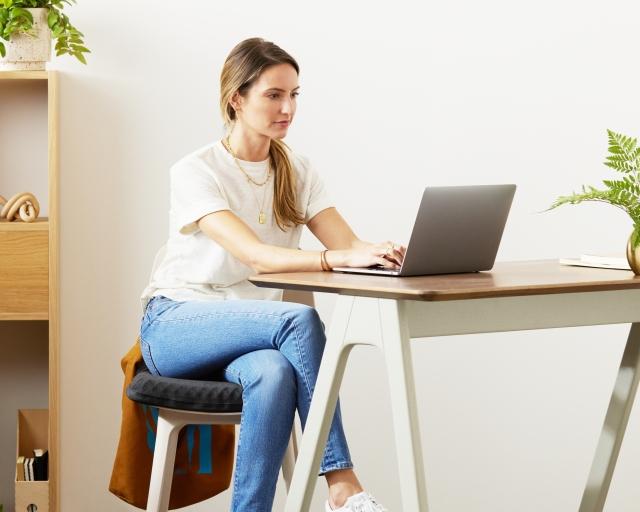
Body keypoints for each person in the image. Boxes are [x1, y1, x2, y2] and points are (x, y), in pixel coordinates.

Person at [139, 37, 406, 512]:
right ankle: (341, 482)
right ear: (236, 99)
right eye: (274, 95)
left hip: (252, 337)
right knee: (298, 320)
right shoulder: (196, 171)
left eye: (294, 95)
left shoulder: (296, 170)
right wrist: (332, 261)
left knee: (276, 371)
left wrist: (384, 252)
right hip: (178, 324)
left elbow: (346, 245)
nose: (288, 108)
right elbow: (256, 257)